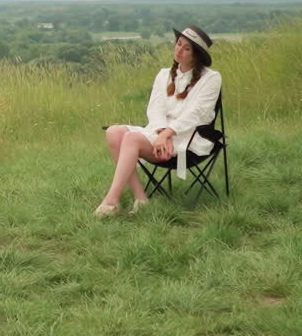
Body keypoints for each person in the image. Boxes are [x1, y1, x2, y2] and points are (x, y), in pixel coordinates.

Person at [94, 26, 221, 216]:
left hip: (189, 138)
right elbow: (155, 108)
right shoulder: (164, 75)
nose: (179, 50)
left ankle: (110, 202)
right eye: (178, 44)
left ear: (197, 55)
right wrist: (162, 133)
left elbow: (197, 114)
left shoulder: (211, 78)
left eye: (186, 48)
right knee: (113, 132)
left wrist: (169, 133)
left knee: (131, 138)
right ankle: (141, 199)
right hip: (160, 133)